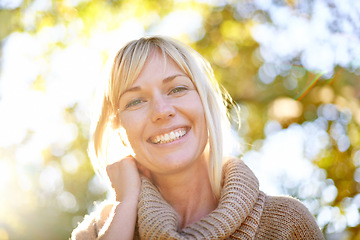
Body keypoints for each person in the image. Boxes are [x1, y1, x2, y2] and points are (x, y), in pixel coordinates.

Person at [71, 36, 324, 239]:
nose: (162, 111)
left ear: (206, 102)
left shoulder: (286, 225)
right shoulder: (96, 232)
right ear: (119, 127)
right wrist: (125, 205)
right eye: (136, 101)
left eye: (177, 88)